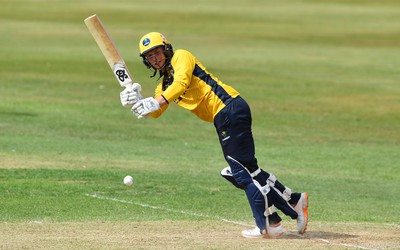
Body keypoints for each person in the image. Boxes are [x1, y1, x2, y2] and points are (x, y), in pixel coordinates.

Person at [120, 32, 309, 238]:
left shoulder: (181, 57)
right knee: (246, 171)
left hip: (229, 108)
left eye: (157, 52)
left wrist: (155, 101)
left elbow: (181, 83)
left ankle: (268, 224)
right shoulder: (163, 85)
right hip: (224, 117)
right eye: (150, 56)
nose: (155, 58)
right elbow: (156, 112)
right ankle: (293, 201)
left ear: (166, 49)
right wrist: (138, 100)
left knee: (241, 173)